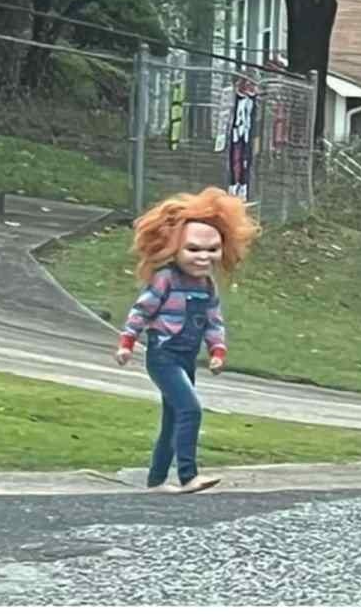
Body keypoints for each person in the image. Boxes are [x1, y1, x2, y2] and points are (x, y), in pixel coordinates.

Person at [115, 187, 260, 493]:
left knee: (172, 418)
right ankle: (187, 475)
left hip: (187, 357)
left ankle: (155, 480)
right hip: (163, 355)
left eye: (212, 250)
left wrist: (217, 350)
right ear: (174, 248)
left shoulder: (207, 285)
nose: (203, 257)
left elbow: (212, 321)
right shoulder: (165, 278)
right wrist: (127, 343)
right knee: (190, 409)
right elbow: (142, 310)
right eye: (193, 249)